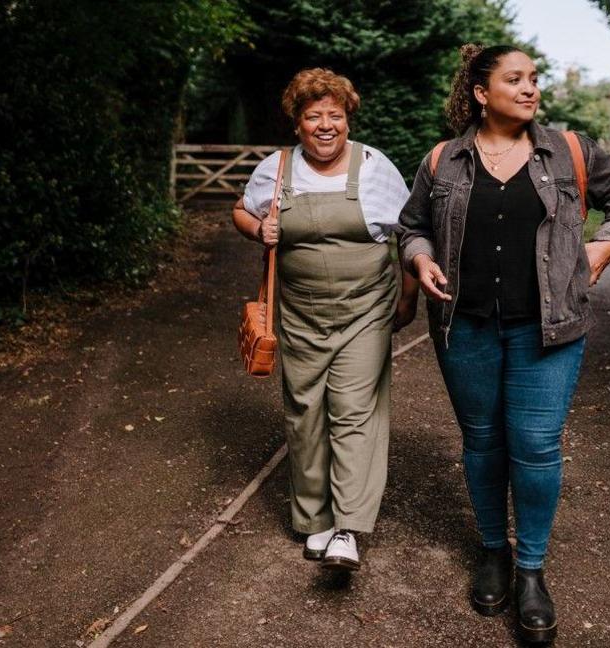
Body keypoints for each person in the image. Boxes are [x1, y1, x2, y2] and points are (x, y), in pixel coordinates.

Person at [398, 44, 610, 643]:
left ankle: (531, 569)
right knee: (482, 441)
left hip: (549, 327)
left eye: (535, 78)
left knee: (534, 445)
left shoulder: (570, 150)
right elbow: (411, 224)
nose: (531, 88)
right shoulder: (444, 159)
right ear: (482, 93)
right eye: (515, 80)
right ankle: (492, 550)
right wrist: (420, 256)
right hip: (466, 325)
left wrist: (604, 244)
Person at [233, 68, 418, 572]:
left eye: (334, 115)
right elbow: (242, 212)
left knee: (353, 410)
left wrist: (409, 295)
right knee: (305, 410)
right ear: (297, 124)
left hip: (364, 310)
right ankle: (314, 518)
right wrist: (259, 228)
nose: (325, 125)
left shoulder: (376, 167)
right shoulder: (276, 167)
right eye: (313, 116)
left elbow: (407, 235)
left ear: (348, 119)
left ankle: (347, 527)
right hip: (298, 312)